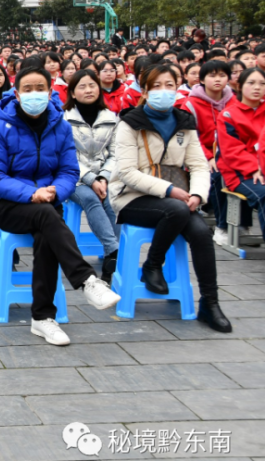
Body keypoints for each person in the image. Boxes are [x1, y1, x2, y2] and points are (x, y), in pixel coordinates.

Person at [0, 66, 121, 346]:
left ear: (50, 91)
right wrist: (33, 194)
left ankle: (43, 319)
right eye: (28, 89)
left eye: (40, 88)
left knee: (47, 230)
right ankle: (86, 281)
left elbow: (69, 171)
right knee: (48, 217)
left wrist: (57, 190)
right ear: (17, 94)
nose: (34, 94)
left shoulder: (61, 126)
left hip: (48, 203)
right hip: (9, 205)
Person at [111, 64, 231, 333]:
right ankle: (152, 265)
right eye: (156, 86)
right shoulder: (130, 123)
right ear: (144, 90)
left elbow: (199, 165)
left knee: (201, 231)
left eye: (169, 85)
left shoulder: (184, 122)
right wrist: (170, 190)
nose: (163, 91)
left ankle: (210, 304)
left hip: (175, 198)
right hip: (132, 198)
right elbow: (128, 173)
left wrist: (198, 194)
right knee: (176, 211)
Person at [63, 70, 120, 282]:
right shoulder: (64, 120)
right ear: (73, 93)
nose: (88, 90)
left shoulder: (111, 118)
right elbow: (67, 156)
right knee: (90, 197)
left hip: (104, 177)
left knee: (113, 198)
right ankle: (114, 251)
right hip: (73, 177)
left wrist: (104, 177)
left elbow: (116, 154)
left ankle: (111, 256)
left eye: (92, 85)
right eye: (82, 86)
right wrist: (91, 179)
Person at [183, 60, 238, 244]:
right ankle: (222, 225)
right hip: (199, 155)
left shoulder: (234, 101)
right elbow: (191, 138)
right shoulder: (191, 104)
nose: (218, 80)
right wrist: (209, 157)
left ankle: (241, 223)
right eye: (212, 75)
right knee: (217, 176)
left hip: (230, 153)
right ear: (202, 79)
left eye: (222, 75)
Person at [218, 68, 265, 240]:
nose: (257, 88)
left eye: (262, 83)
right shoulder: (229, 115)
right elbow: (232, 151)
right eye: (251, 83)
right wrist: (254, 168)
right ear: (239, 86)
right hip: (240, 172)